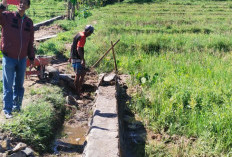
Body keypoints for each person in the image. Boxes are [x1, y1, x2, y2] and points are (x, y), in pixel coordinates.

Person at [0, 0, 34, 119]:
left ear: (28, 6)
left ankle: (17, 107)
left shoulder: (29, 22)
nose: (21, 4)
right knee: (8, 85)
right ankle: (7, 110)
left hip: (22, 59)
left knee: (19, 85)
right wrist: (2, 6)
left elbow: (30, 41)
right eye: (20, 2)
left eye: (25, 3)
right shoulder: (7, 16)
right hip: (9, 57)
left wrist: (31, 56)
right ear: (16, 4)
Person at [70, 25, 94, 98]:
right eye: (90, 33)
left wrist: (70, 57)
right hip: (77, 58)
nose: (90, 35)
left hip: (74, 57)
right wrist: (82, 59)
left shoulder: (79, 33)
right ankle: (77, 92)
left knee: (82, 74)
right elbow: (79, 49)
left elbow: (72, 45)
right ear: (88, 32)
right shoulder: (83, 37)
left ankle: (78, 90)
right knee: (78, 75)